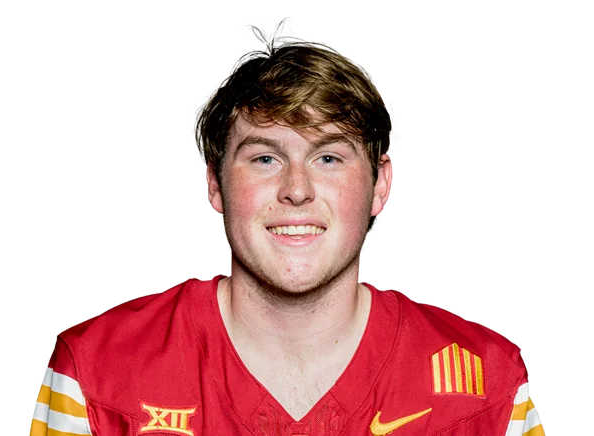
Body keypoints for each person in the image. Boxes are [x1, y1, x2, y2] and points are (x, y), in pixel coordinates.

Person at [30, 27, 545, 435]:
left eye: (328, 157)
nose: (296, 190)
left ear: (381, 185)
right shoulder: (96, 372)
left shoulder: (490, 388)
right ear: (215, 185)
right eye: (264, 158)